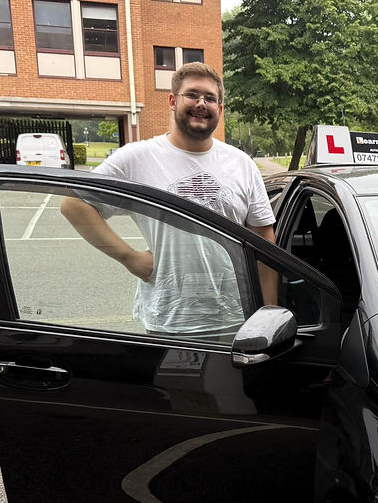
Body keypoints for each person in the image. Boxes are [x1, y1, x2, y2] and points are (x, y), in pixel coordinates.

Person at [60, 62, 277, 336]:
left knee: (228, 381)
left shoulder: (241, 163)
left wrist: (268, 318)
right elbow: (73, 203)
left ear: (220, 110)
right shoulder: (136, 158)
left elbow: (264, 240)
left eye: (210, 98)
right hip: (169, 320)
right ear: (173, 101)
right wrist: (131, 258)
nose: (201, 103)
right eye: (192, 95)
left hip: (235, 316)